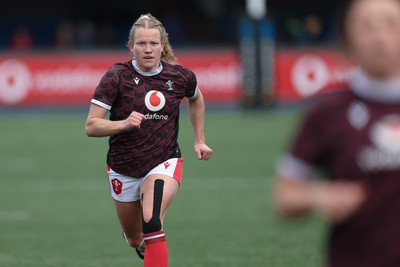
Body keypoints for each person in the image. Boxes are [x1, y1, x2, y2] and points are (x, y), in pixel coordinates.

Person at [275, 0, 400, 266]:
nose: (380, 36)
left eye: (391, 24)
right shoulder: (327, 113)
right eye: (367, 26)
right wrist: (318, 195)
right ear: (348, 37)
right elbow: (285, 197)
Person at [85, 14, 213, 267]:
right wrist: (123, 124)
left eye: (153, 43)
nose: (148, 49)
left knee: (152, 220)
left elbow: (196, 98)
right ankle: (138, 241)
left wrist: (199, 140)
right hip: (123, 167)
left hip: (164, 161)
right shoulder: (116, 76)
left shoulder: (180, 76)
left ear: (163, 45)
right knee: (135, 237)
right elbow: (91, 126)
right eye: (141, 43)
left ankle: (150, 237)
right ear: (131, 46)